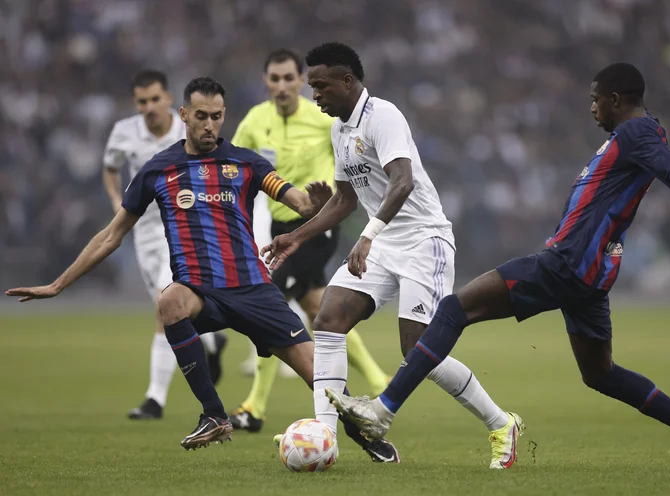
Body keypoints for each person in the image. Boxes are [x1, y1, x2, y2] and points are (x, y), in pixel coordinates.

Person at [323, 63, 670, 473]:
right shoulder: (628, 138)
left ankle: (382, 411)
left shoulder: (636, 132)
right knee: (600, 373)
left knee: (453, 310)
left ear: (615, 100)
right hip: (591, 274)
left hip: (566, 262)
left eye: (596, 100)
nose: (592, 108)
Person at [7, 76, 400, 462]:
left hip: (254, 290)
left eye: (216, 116)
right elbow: (111, 236)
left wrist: (312, 205)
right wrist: (59, 285)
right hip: (200, 292)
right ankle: (214, 414)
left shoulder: (244, 162)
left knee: (320, 375)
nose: (210, 124)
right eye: (201, 116)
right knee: (169, 303)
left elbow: (295, 201)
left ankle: (365, 436)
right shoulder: (157, 170)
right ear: (184, 115)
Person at [262, 42, 520, 470]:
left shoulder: (383, 116)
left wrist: (366, 237)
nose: (316, 96)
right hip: (381, 242)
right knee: (329, 318)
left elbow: (402, 183)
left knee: (418, 349)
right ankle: (325, 437)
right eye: (313, 88)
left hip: (424, 241)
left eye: (321, 86)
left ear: (348, 82)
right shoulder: (339, 129)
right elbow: (344, 199)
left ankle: (501, 424)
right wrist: (298, 237)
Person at [229, 49, 390, 433]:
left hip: (318, 225)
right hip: (280, 229)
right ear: (265, 81)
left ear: (300, 81)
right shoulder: (255, 121)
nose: (282, 86)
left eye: (289, 78)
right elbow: (233, 168)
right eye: (275, 79)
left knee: (267, 304)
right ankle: (379, 379)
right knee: (321, 309)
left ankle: (255, 406)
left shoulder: (321, 119)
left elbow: (359, 152)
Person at [102, 69, 226, 420]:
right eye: (142, 101)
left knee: (163, 306)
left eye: (156, 99)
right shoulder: (124, 133)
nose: (150, 107)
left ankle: (154, 399)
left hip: (182, 227)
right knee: (175, 312)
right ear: (135, 103)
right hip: (144, 231)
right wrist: (115, 197)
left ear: (170, 100)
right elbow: (110, 167)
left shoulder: (190, 129)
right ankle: (213, 341)